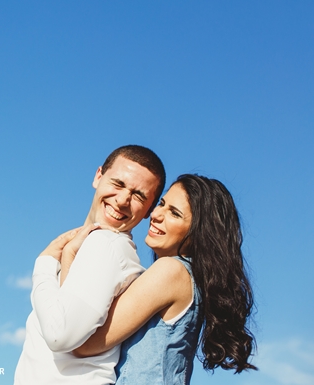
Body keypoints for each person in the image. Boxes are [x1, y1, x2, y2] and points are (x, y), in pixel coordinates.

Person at [68, 174, 256, 384]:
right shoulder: (187, 277)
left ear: (199, 233)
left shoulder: (171, 271)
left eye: (174, 213)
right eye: (162, 203)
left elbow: (82, 343)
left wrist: (67, 256)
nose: (156, 215)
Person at [13, 145, 166, 385]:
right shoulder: (93, 245)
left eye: (139, 196)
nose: (123, 200)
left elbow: (59, 336)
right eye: (118, 184)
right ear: (98, 176)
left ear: (148, 211)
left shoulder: (108, 244)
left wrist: (42, 265)